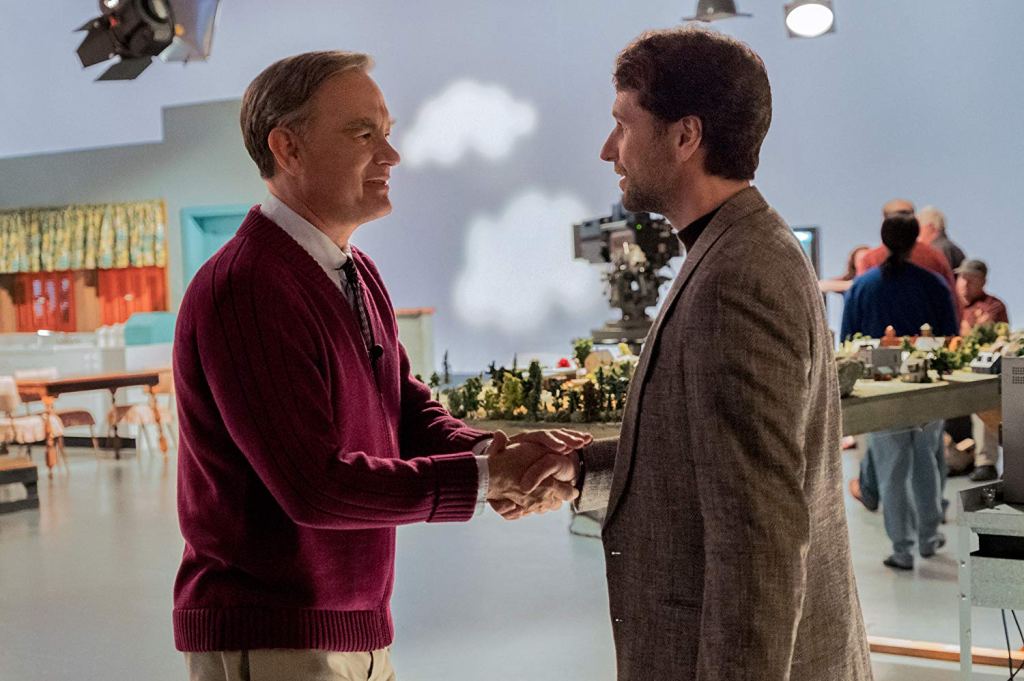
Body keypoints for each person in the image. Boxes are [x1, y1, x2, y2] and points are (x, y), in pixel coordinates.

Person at [173, 51, 586, 681]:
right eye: (364, 135)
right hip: (275, 640)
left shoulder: (353, 271)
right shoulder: (249, 286)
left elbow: (406, 409)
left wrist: (493, 452)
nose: (391, 156)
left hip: (351, 633)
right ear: (287, 147)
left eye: (387, 133)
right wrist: (486, 480)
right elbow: (313, 485)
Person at [544, 27, 871, 679]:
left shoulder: (735, 279)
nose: (608, 149)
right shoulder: (737, 249)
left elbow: (759, 543)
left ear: (685, 136)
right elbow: (703, 457)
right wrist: (580, 470)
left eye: (623, 124)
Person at [841, 214, 958, 570]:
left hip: (882, 389)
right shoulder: (932, 283)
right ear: (915, 240)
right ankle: (929, 537)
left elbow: (848, 340)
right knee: (926, 462)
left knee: (891, 469)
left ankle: (902, 548)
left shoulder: (864, 286)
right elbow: (951, 335)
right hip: (927, 386)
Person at [956, 258, 1009, 482]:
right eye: (962, 278)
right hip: (955, 374)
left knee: (984, 402)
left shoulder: (992, 306)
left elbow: (987, 336)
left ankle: (985, 462)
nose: (965, 284)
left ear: (983, 281)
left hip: (983, 373)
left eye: (971, 279)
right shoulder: (955, 307)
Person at [857, 198, 957, 301]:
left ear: (884, 225)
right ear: (915, 224)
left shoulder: (870, 259)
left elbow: (859, 301)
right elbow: (952, 300)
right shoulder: (936, 258)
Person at [917, 205, 966, 271]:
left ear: (930, 227)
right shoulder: (954, 248)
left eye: (919, 228)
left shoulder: (936, 249)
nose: (916, 233)